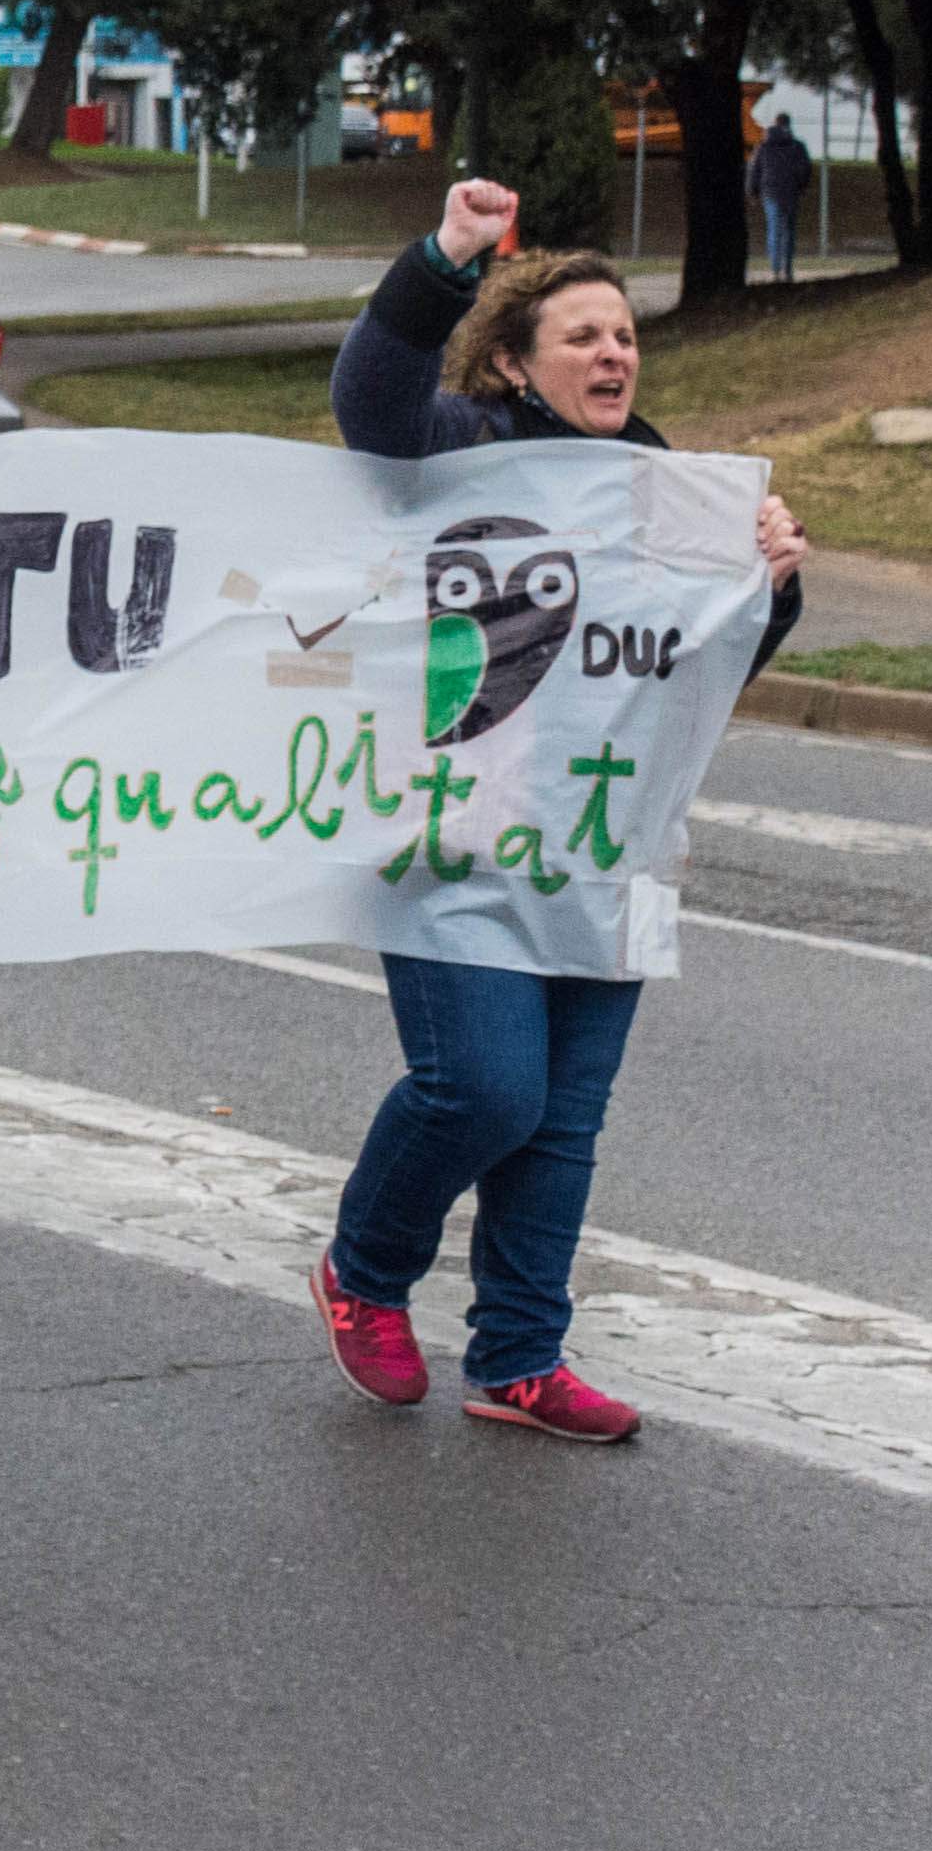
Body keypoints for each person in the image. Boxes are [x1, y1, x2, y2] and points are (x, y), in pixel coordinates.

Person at [312, 179, 807, 1443]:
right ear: (518, 364)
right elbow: (368, 401)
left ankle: (519, 1357)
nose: (614, 351)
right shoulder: (462, 447)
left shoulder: (671, 485)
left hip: (603, 845)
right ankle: (365, 1270)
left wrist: (773, 583)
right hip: (452, 837)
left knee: (565, 1120)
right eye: (583, 334)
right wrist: (446, 257)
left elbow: (701, 670)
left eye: (626, 335)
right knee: (484, 1090)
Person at [747, 111, 812, 284]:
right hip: (791, 192)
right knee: (789, 231)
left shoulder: (763, 146)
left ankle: (775, 270)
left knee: (774, 230)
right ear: (789, 124)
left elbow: (754, 170)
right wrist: (802, 187)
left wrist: (752, 192)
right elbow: (805, 169)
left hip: (770, 191)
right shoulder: (798, 146)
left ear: (774, 124)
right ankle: (788, 270)